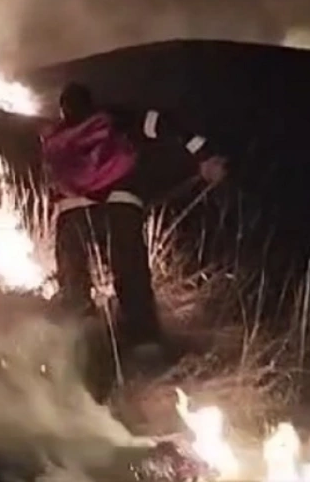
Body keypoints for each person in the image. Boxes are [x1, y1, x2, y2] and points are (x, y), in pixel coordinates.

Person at [39, 81, 227, 365]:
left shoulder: (54, 135)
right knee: (131, 274)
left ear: (62, 108)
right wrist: (205, 156)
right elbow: (163, 122)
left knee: (73, 279)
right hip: (121, 201)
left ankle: (79, 344)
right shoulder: (116, 118)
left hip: (73, 209)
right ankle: (143, 344)